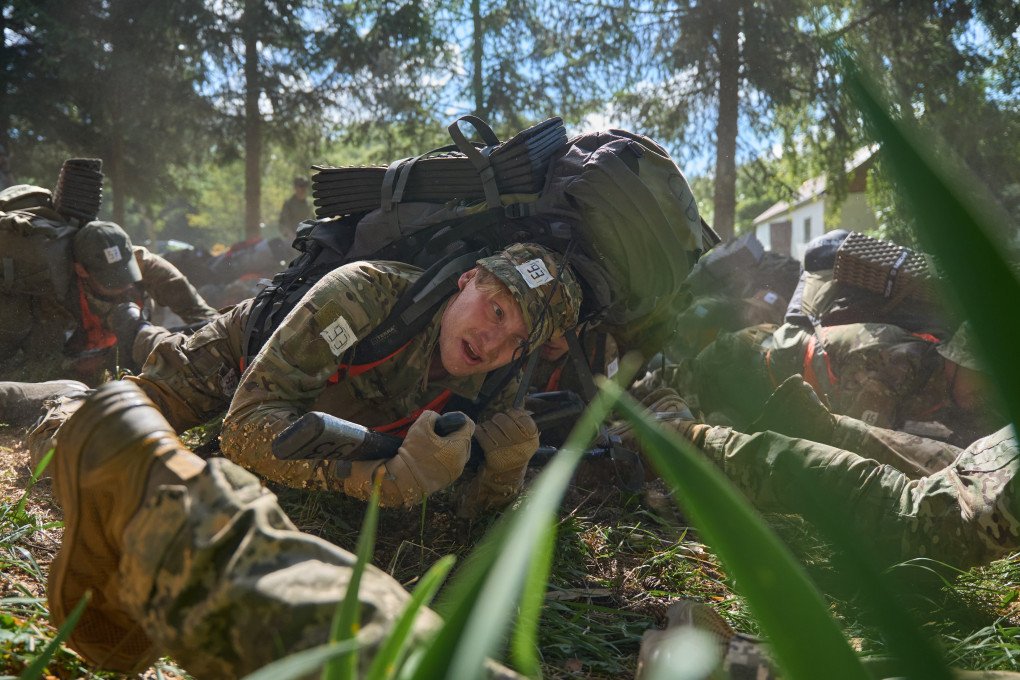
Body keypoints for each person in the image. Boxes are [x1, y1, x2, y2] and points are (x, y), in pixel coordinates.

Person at [20, 243, 582, 513]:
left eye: (516, 343)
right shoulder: (364, 294)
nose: (493, 343)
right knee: (79, 439)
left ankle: (138, 333)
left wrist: (501, 477)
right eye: (498, 311)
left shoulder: (496, 383)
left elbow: (463, 520)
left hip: (313, 403)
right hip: (240, 356)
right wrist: (373, 481)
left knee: (149, 352)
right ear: (467, 280)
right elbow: (244, 429)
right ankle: (77, 379)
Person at [692, 320, 1003, 446]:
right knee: (720, 422)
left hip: (795, 373)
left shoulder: (950, 385)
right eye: (985, 378)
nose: (987, 391)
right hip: (763, 374)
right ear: (957, 360)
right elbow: (862, 443)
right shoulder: (905, 365)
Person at [0, 213, 217, 382]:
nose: (124, 286)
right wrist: (76, 366)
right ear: (81, 270)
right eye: (112, 280)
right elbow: (38, 363)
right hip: (77, 356)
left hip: (132, 344)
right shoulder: (53, 289)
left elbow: (205, 317)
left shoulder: (147, 265)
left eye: (126, 274)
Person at [278, 175, 312, 243]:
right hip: (292, 241)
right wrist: (293, 237)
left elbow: (313, 222)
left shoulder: (309, 204)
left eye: (305, 186)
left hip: (308, 240)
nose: (303, 189)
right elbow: (283, 224)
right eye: (301, 186)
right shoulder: (288, 204)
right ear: (295, 188)